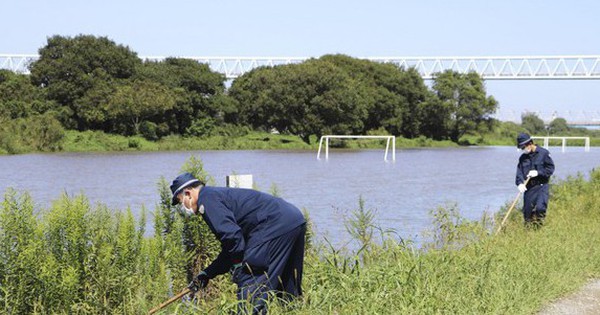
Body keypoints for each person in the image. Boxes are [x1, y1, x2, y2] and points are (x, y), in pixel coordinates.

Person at [169, 172, 306, 314]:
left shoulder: (207, 200)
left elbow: (233, 239)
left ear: (188, 193)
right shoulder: (215, 195)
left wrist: (238, 265)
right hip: (293, 220)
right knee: (288, 288)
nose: (182, 206)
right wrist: (207, 274)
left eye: (180, 201)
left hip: (273, 225)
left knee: (250, 277)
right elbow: (232, 245)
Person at [515, 133, 555, 227]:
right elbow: (519, 172)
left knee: (540, 209)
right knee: (527, 213)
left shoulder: (543, 153)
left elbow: (550, 169)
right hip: (529, 188)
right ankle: (529, 232)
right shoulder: (523, 157)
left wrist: (538, 172)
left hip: (541, 186)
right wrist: (520, 184)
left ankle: (538, 228)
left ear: (530, 143)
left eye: (523, 147)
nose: (522, 149)